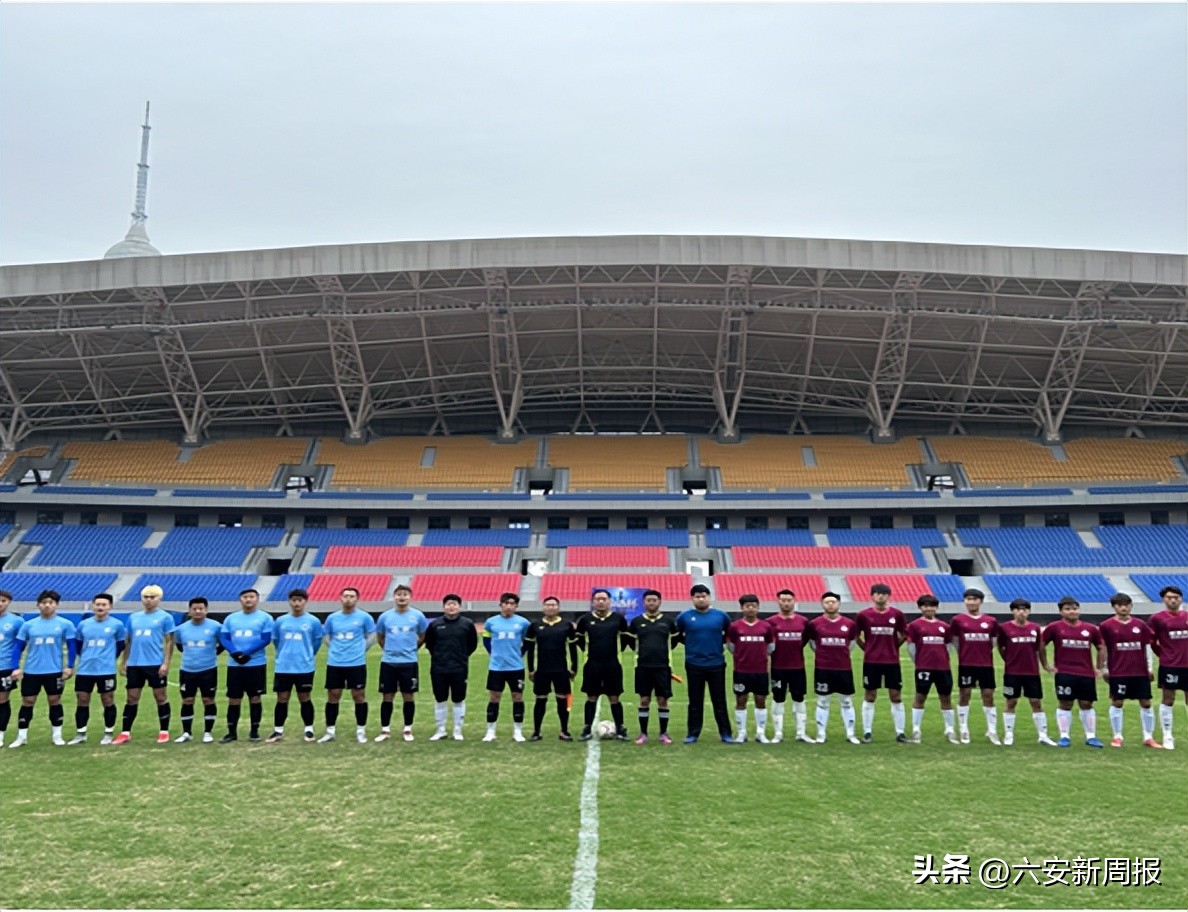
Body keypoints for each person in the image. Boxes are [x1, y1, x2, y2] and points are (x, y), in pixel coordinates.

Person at [7, 589, 76, 748]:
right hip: (32, 670)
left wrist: (70, 666)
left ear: (56, 605)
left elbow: (72, 646)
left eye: (50, 603)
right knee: (28, 701)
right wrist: (15, 667)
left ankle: (57, 735)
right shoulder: (29, 625)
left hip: (54, 670)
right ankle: (21, 736)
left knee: (54, 701)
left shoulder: (65, 624)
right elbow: (18, 647)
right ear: (38, 605)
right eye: (44, 603)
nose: (47, 606)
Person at [1040, 595, 1106, 749]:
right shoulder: (1054, 627)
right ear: (1061, 611)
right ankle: (1064, 736)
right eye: (1068, 609)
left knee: (1086, 703)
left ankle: (1091, 736)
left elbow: (1101, 647)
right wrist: (1045, 664)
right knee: (1065, 703)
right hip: (1064, 673)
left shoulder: (1090, 628)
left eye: (1075, 608)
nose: (1072, 612)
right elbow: (1041, 644)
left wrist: (1099, 667)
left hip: (1086, 673)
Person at [113, 584, 175, 745]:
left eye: (152, 597)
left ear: (159, 599)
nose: (148, 600)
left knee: (160, 697)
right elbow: (129, 640)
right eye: (146, 597)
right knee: (131, 698)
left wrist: (166, 663)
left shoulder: (165, 617)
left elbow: (169, 641)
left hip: (154, 664)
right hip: (135, 664)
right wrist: (124, 661)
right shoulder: (134, 617)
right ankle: (125, 732)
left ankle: (163, 731)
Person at [674, 584, 733, 744]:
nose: (701, 599)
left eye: (704, 595)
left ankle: (726, 733)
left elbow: (728, 634)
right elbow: (678, 635)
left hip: (716, 663)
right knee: (695, 701)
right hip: (693, 664)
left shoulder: (721, 616)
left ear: (709, 597)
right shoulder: (684, 617)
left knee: (719, 700)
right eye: (697, 596)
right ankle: (693, 733)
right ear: (692, 598)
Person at [1100, 592, 1160, 749]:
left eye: (1126, 605)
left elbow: (1146, 646)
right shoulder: (1106, 626)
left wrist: (1149, 668)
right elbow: (1104, 648)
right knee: (1117, 702)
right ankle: (1117, 736)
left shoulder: (1140, 625)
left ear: (1131, 606)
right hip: (1119, 671)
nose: (1123, 608)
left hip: (1139, 671)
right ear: (1114, 607)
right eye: (1120, 605)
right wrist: (1105, 668)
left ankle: (1148, 737)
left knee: (1146, 702)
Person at [266, 588, 324, 743]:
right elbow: (276, 641)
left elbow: (317, 642)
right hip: (283, 666)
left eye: (300, 600)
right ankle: (278, 730)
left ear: (305, 601)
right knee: (282, 698)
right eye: (294, 600)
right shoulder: (280, 621)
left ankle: (309, 729)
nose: (297, 603)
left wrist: (307, 654)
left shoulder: (313, 621)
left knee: (304, 697)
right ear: (289, 601)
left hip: (304, 666)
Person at [319, 586, 377, 743]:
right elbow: (326, 636)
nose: (348, 599)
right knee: (333, 695)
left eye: (352, 596)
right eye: (346, 596)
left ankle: (361, 730)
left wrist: (362, 648)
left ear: (357, 599)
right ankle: (330, 731)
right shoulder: (332, 618)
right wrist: (335, 649)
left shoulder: (365, 617)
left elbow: (372, 635)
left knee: (358, 696)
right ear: (340, 598)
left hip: (356, 663)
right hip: (335, 663)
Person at [996, 598, 1057, 746]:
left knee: (1036, 702)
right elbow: (1001, 647)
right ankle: (1009, 734)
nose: (1021, 612)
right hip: (1012, 672)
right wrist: (1010, 661)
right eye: (1018, 609)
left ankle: (1042, 735)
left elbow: (1040, 648)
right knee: (1011, 701)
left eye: (1024, 609)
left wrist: (1045, 665)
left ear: (1029, 611)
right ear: (1012, 611)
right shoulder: (1004, 628)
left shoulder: (1035, 628)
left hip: (1032, 672)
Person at [69, 593, 126, 745]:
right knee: (82, 700)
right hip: (85, 669)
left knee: (107, 699)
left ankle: (108, 732)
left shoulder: (117, 625)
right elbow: (79, 646)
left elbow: (120, 645)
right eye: (98, 604)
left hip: (106, 670)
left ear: (110, 607)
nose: (100, 607)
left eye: (104, 605)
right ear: (93, 606)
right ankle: (81, 733)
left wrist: (108, 658)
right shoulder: (84, 624)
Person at [217, 587, 273, 743]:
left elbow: (265, 639)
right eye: (245, 597)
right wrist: (235, 652)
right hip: (235, 665)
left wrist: (247, 652)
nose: (248, 600)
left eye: (251, 597)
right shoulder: (231, 618)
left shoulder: (265, 618)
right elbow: (225, 638)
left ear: (257, 599)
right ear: (240, 599)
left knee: (255, 697)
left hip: (255, 664)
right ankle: (231, 732)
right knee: (234, 699)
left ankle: (254, 731)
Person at [575, 589, 631, 741]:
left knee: (614, 697)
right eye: (598, 599)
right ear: (593, 601)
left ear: (609, 601)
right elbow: (579, 640)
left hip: (613, 664)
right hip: (592, 664)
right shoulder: (585, 620)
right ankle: (587, 728)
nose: (601, 602)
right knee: (591, 696)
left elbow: (625, 640)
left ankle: (620, 728)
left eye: (604, 599)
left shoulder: (618, 619)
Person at [855, 582, 908, 743]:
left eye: (884, 594)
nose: (880, 596)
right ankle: (867, 732)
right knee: (870, 695)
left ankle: (900, 732)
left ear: (888, 596)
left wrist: (893, 647)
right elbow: (857, 636)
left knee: (895, 695)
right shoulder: (863, 615)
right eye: (877, 593)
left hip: (891, 661)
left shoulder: (897, 614)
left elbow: (904, 634)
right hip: (871, 661)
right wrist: (868, 648)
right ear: (872, 596)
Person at [375, 584, 428, 742]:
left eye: (405, 594)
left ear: (410, 597)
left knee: (408, 696)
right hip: (389, 662)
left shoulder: (418, 616)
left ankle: (407, 729)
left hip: (409, 662)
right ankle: (385, 730)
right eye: (399, 594)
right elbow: (380, 637)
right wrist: (390, 650)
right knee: (387, 696)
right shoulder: (385, 617)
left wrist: (412, 649)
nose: (402, 597)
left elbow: (422, 636)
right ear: (394, 597)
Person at [806, 591, 860, 744]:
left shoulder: (849, 624)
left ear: (839, 604)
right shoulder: (815, 624)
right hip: (823, 668)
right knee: (822, 701)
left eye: (833, 602)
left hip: (844, 668)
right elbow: (813, 644)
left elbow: (851, 644)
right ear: (822, 604)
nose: (830, 604)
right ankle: (821, 734)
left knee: (847, 701)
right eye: (827, 602)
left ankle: (850, 734)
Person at [625, 589, 678, 745]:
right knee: (644, 699)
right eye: (648, 600)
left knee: (663, 700)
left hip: (663, 667)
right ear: (644, 602)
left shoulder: (668, 622)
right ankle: (643, 734)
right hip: (642, 667)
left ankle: (663, 733)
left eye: (654, 600)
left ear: (659, 602)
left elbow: (674, 641)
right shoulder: (636, 622)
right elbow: (629, 641)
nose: (651, 603)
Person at [904, 594, 958, 744]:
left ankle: (950, 730)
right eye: (926, 606)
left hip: (943, 668)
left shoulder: (944, 626)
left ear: (936, 607)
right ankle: (916, 730)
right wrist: (919, 662)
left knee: (945, 698)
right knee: (920, 697)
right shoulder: (914, 626)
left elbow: (948, 647)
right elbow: (911, 647)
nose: (929, 608)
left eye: (932, 605)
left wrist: (943, 660)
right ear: (921, 608)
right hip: (923, 668)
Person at [950, 587, 1000, 744]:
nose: (971, 602)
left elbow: (994, 641)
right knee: (965, 694)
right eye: (968, 599)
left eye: (974, 599)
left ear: (981, 601)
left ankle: (992, 730)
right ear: (964, 601)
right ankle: (964, 729)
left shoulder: (990, 621)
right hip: (966, 664)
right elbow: (955, 640)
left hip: (985, 664)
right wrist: (964, 653)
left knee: (988, 695)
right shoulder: (958, 620)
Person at [424, 594, 478, 740]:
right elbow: (429, 644)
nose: (451, 607)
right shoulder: (435, 624)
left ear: (459, 606)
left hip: (459, 668)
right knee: (440, 698)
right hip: (439, 668)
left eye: (454, 604)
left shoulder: (467, 624)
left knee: (458, 699)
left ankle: (457, 729)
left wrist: (461, 657)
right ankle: (441, 729)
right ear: (443, 606)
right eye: (448, 604)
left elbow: (472, 645)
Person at [524, 595, 578, 741]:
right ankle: (536, 731)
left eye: (554, 605)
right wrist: (530, 669)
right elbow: (530, 648)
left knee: (564, 700)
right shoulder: (535, 625)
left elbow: (573, 648)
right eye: (548, 605)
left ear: (558, 608)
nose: (551, 607)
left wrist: (574, 668)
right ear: (543, 607)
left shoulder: (567, 625)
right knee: (540, 700)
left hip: (561, 670)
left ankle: (564, 731)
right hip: (542, 670)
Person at [482, 592, 532, 742]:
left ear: (516, 606)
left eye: (512, 604)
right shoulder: (491, 622)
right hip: (496, 667)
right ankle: (490, 731)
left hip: (516, 667)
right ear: (501, 605)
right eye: (506, 603)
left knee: (517, 697)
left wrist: (520, 654)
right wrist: (494, 654)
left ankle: (518, 731)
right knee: (494, 697)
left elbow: (528, 641)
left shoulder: (523, 623)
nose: (509, 606)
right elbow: (486, 640)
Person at [173, 596, 222, 743]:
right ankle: (186, 732)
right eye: (195, 609)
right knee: (187, 700)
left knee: (208, 700)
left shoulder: (216, 626)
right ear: (189, 611)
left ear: (206, 610)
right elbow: (180, 646)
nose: (198, 611)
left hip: (208, 670)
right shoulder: (181, 629)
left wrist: (211, 655)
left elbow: (223, 644)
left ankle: (208, 732)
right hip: (187, 670)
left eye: (201, 608)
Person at [727, 594, 774, 743]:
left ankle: (761, 733)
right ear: (742, 608)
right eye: (747, 606)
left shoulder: (766, 626)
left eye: (753, 606)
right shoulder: (735, 627)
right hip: (741, 670)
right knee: (741, 700)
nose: (751, 608)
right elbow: (731, 647)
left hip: (760, 671)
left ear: (758, 607)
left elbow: (770, 647)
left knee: (760, 700)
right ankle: (742, 733)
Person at [767, 588, 812, 743]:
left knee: (799, 698)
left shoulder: (803, 621)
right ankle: (778, 733)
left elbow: (805, 640)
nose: (786, 603)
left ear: (794, 601)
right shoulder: (771, 622)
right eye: (783, 600)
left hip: (797, 667)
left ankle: (801, 732)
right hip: (778, 667)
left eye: (789, 600)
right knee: (778, 699)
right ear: (778, 602)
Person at [1149, 584, 1186, 751]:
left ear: (1181, 599)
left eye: (1176, 597)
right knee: (1168, 699)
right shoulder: (1157, 619)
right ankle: (1167, 735)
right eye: (1169, 598)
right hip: (1170, 665)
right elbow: (1151, 641)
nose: (1173, 600)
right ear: (1164, 600)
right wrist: (1163, 655)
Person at [0, 589, 21, 747]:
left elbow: (20, 644)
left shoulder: (16, 621)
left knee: (2, 699)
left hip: (4, 666)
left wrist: (16, 666)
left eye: (3, 601)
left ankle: (0, 734)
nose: (0, 604)